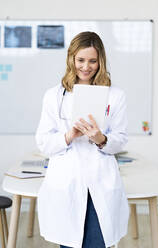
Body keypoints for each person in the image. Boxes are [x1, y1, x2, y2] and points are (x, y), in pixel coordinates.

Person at [35, 31, 129, 248]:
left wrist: (101, 139)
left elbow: (121, 139)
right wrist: (69, 136)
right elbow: (43, 142)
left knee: (97, 242)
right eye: (81, 60)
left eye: (92, 61)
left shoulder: (115, 96)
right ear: (71, 59)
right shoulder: (53, 96)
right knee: (69, 243)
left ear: (100, 61)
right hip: (67, 183)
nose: (86, 67)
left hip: (100, 182)